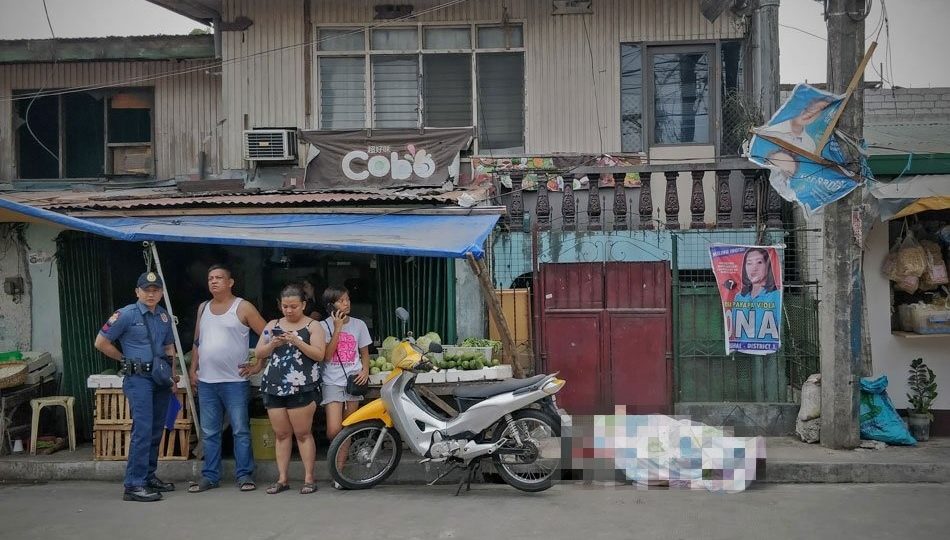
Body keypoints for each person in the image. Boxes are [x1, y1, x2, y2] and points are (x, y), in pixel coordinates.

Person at [94, 271, 178, 502]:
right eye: (146, 290)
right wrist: (124, 359)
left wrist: (172, 378)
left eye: (155, 290)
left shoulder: (163, 316)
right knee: (142, 429)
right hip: (138, 379)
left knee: (155, 429)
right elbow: (101, 342)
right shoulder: (125, 315)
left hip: (160, 380)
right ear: (137, 292)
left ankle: (149, 476)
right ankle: (133, 485)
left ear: (161, 293)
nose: (151, 294)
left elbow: (169, 349)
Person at [187, 264, 267, 494]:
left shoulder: (242, 307)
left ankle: (244, 475)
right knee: (209, 432)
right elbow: (197, 342)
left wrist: (258, 363)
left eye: (219, 278)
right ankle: (210, 476)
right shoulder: (203, 308)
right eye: (210, 278)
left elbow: (268, 333)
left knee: (240, 430)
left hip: (234, 380)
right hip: (207, 382)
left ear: (230, 282)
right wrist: (194, 368)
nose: (214, 281)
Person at [249, 284, 326, 495]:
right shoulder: (272, 324)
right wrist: (273, 343)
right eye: (285, 306)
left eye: (293, 306)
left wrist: (296, 341)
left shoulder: (313, 326)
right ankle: (282, 478)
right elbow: (259, 352)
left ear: (303, 304)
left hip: (302, 386)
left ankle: (309, 478)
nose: (289, 310)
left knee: (302, 433)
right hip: (274, 386)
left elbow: (319, 354)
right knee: (281, 434)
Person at [319, 286, 371, 489]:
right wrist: (337, 327)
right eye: (341, 301)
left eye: (347, 299)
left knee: (348, 426)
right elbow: (327, 356)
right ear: (331, 305)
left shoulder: (359, 325)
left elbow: (364, 352)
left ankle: (339, 473)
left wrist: (365, 370)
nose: (346, 303)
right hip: (332, 380)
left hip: (353, 380)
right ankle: (338, 457)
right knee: (334, 429)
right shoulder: (322, 326)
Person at [732, 248, 782, 342]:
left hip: (770, 352)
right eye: (749, 263)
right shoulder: (739, 297)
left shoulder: (776, 295)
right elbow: (735, 331)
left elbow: (780, 328)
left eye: (759, 262)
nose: (754, 268)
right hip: (744, 351)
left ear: (767, 266)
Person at [759, 96, 834, 155]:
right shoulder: (772, 132)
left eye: (818, 111)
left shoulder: (810, 143)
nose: (809, 114)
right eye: (807, 108)